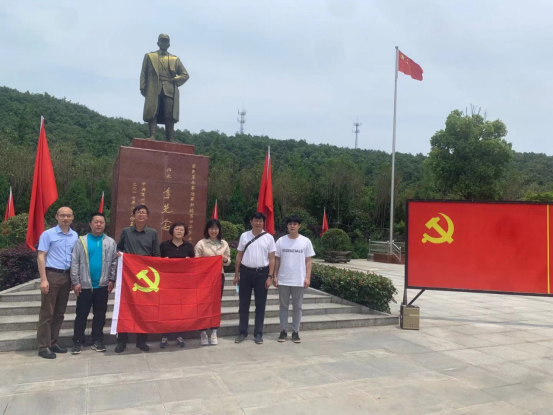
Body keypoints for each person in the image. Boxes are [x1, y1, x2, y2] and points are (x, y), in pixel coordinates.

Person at [70, 212, 118, 354]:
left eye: (101, 222)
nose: (98, 224)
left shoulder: (110, 242)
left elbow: (114, 262)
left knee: (100, 315)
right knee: (81, 314)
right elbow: (74, 262)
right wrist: (75, 281)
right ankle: (78, 341)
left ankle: (97, 340)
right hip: (85, 285)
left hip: (102, 285)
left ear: (104, 225)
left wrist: (111, 279)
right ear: (90, 224)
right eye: (96, 222)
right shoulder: (81, 241)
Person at [115, 205, 160, 353]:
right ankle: (122, 341)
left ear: (147, 216)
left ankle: (142, 341)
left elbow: (156, 254)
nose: (141, 215)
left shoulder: (152, 233)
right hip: (129, 275)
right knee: (125, 306)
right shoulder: (126, 231)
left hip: (145, 277)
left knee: (143, 308)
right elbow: (119, 248)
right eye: (138, 212)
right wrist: (119, 254)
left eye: (143, 213)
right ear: (133, 215)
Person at [36, 207, 78, 359]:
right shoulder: (48, 234)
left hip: (66, 276)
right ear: (56, 217)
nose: (65, 218)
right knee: (47, 312)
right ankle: (43, 346)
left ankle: (53, 342)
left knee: (59, 313)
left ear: (72, 217)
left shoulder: (75, 235)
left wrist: (74, 279)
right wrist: (44, 279)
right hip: (52, 275)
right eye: (62, 215)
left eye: (68, 216)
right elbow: (41, 256)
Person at [234, 212, 276, 344]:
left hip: (262, 274)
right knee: (243, 304)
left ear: (263, 222)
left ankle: (258, 334)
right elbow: (239, 255)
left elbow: (272, 259)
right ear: (251, 222)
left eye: (261, 221)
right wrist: (236, 275)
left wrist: (270, 276)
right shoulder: (244, 236)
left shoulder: (269, 238)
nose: (258, 223)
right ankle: (242, 332)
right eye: (256, 220)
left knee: (260, 305)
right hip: (245, 273)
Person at [274, 216, 315, 344]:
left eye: (295, 224)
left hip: (299, 279)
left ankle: (295, 331)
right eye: (290, 224)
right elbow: (277, 260)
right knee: (283, 306)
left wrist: (307, 277)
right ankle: (283, 330)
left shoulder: (306, 241)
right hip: (283, 279)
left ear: (299, 226)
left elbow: (308, 261)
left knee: (297, 307)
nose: (292, 226)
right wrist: (275, 275)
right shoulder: (280, 241)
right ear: (287, 226)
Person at [141, 33, 190, 141]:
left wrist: (175, 80)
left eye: (166, 41)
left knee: (169, 113)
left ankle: (170, 138)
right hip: (153, 88)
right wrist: (142, 86)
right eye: (162, 41)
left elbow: (185, 75)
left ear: (169, 45)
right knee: (153, 111)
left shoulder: (175, 59)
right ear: (158, 43)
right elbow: (144, 72)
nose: (163, 43)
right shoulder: (149, 56)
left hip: (169, 89)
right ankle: (152, 135)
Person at [194, 219, 231, 346]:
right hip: (204, 278)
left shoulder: (224, 243)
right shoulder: (201, 243)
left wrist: (225, 260)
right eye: (211, 228)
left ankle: (214, 331)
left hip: (218, 277)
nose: (214, 231)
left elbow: (228, 261)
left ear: (219, 230)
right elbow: (196, 261)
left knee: (215, 304)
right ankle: (203, 332)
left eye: (216, 228)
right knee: (203, 304)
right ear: (207, 230)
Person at [159, 222, 195, 348]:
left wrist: (189, 262)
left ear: (185, 232)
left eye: (181, 229)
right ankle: (165, 335)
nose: (179, 231)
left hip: (182, 283)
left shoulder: (189, 246)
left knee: (180, 309)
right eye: (177, 229)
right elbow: (156, 262)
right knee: (166, 309)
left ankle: (179, 335)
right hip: (167, 282)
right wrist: (163, 261)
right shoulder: (164, 245)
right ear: (172, 231)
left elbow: (194, 264)